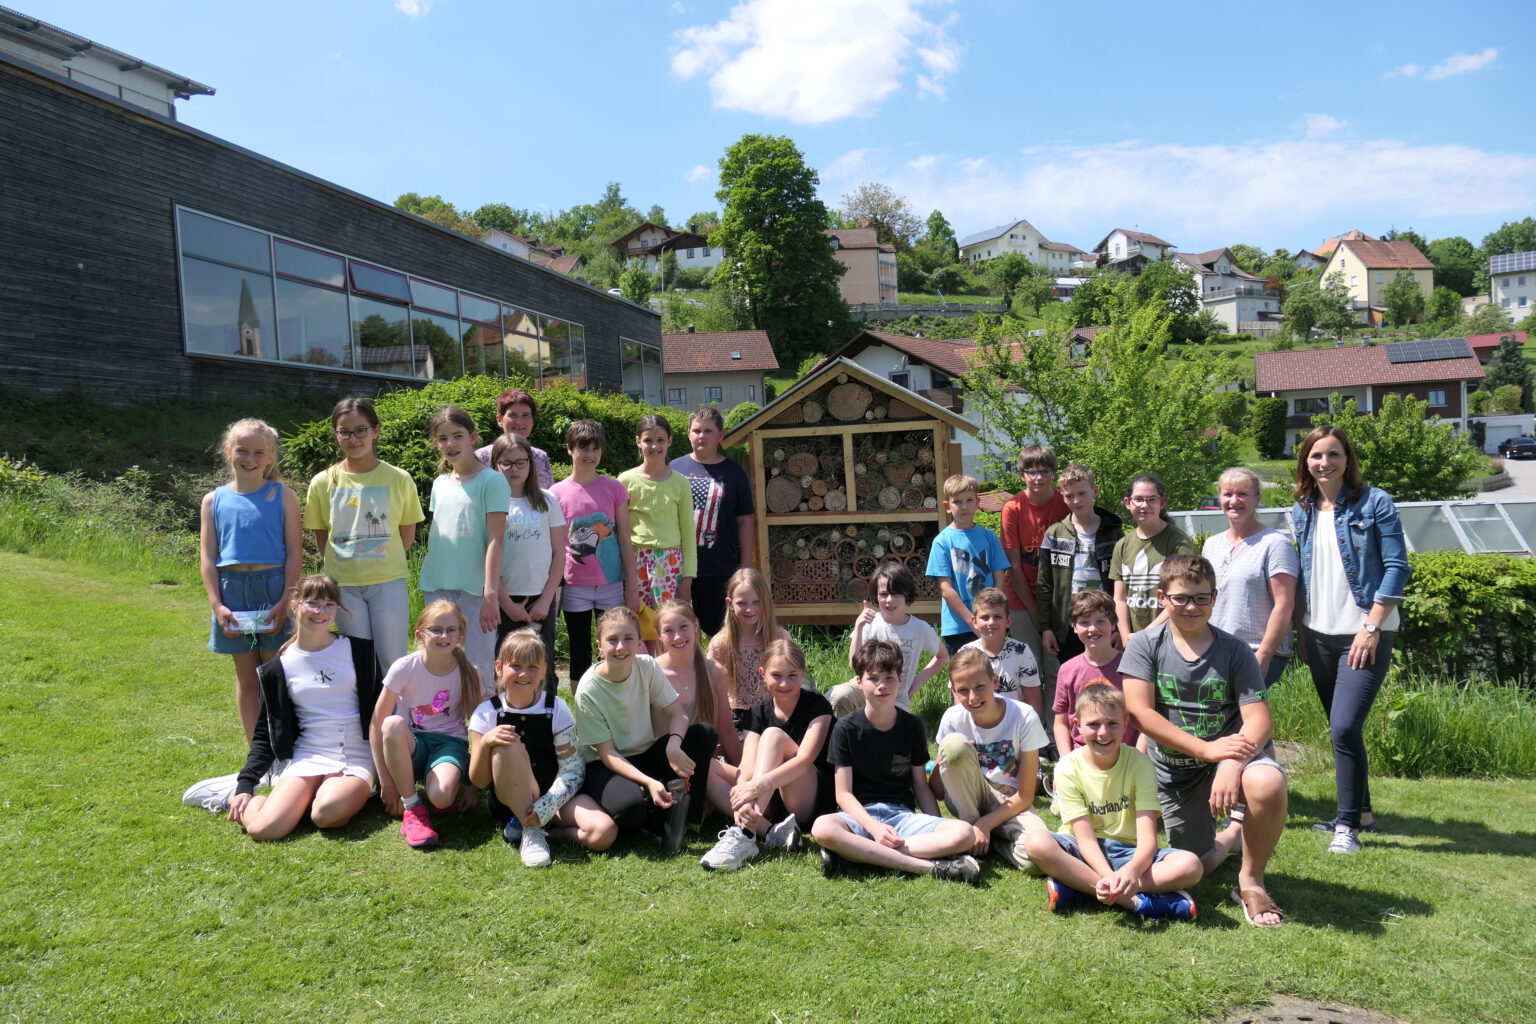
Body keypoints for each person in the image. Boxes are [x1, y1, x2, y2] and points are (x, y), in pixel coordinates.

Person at [1121, 554, 1289, 928]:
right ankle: (1231, 836)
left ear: (1215, 598)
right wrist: (1204, 749)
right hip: (1176, 774)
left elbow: (1259, 719)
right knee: (1194, 864)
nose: (1191, 606)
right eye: (1180, 598)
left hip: (1228, 760)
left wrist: (1229, 762)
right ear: (1163, 598)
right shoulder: (1145, 644)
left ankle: (1251, 880)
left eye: (1201, 598)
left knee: (1267, 781)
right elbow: (1139, 713)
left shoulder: (1234, 650)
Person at [1291, 425, 1410, 855]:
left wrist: (1372, 625)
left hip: (1365, 634)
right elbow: (1306, 575)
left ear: (1347, 459)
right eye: (1316, 455)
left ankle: (1346, 827)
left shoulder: (1374, 502)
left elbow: (1397, 567)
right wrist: (1302, 630)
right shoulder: (1302, 508)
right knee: (1344, 730)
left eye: (1333, 454)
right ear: (1306, 461)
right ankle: (1361, 813)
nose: (1325, 462)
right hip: (1319, 635)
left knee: (1343, 726)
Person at [1023, 684, 1203, 920]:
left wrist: (1131, 870)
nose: (1103, 732)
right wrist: (1109, 875)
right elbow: (1085, 838)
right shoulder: (1067, 768)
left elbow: (1148, 839)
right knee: (1036, 842)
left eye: (1112, 723)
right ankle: (1136, 902)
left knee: (1191, 865)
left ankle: (1079, 888)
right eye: (1094, 724)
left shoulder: (1140, 764)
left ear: (1125, 723)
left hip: (1129, 851)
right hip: (1080, 849)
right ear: (1077, 725)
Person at [810, 640, 982, 885]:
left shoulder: (912, 726)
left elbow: (921, 786)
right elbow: (843, 795)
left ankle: (855, 854)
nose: (882, 685)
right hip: (859, 817)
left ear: (901, 679)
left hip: (902, 817)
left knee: (964, 833)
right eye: (874, 678)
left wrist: (938, 824)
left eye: (889, 678)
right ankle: (928, 867)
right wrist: (874, 829)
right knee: (822, 828)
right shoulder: (845, 729)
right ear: (859, 682)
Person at [228, 574, 382, 842]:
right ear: (294, 605)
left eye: (328, 604)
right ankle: (240, 796)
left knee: (326, 813)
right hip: (308, 755)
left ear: (338, 609)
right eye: (312, 603)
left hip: (355, 754)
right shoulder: (278, 667)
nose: (320, 612)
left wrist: (389, 778)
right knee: (263, 830)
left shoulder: (359, 650)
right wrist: (245, 784)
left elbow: (382, 713)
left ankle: (314, 798)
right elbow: (265, 733)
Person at [573, 607, 717, 855]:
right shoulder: (588, 689)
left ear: (640, 642)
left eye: (629, 638)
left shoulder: (646, 666)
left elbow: (678, 713)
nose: (621, 647)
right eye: (612, 640)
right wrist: (649, 782)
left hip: (644, 752)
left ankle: (688, 816)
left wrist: (673, 745)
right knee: (629, 808)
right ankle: (656, 817)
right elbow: (607, 754)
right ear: (599, 645)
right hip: (605, 764)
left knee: (703, 734)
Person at [468, 628, 617, 867]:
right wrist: (486, 742)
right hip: (510, 802)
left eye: (532, 667)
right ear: (499, 667)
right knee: (508, 743)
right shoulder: (486, 713)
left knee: (604, 832)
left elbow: (573, 769)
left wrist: (546, 806)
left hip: (554, 799)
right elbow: (479, 780)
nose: (523, 674)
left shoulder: (555, 707)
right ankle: (530, 830)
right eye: (515, 666)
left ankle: (545, 832)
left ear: (544, 671)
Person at [198, 419, 302, 742]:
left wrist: (285, 601)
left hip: (273, 591)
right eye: (242, 450)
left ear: (270, 458)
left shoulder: (284, 496)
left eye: (259, 452)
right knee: (247, 679)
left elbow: (295, 553)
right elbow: (207, 557)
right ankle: (255, 753)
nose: (250, 458)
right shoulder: (213, 501)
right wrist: (217, 605)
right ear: (229, 452)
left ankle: (281, 747)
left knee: (275, 675)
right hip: (233, 595)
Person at [304, 396, 424, 672]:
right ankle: (364, 716)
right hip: (343, 585)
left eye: (360, 430)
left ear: (375, 431)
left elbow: (406, 533)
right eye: (344, 431)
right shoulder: (323, 481)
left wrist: (381, 558)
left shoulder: (399, 478)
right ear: (335, 434)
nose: (353, 438)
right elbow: (322, 534)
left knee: (393, 663)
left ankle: (395, 716)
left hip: (388, 582)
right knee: (358, 661)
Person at [701, 638, 833, 871]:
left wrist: (754, 789)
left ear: (804, 674)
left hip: (805, 798)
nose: (784, 683)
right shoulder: (757, 711)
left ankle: (743, 833)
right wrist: (744, 794)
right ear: (762, 674)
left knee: (773, 736)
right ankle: (771, 832)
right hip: (766, 800)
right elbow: (748, 765)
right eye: (776, 675)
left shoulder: (818, 706)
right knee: (708, 767)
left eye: (792, 675)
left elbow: (804, 761)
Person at [371, 600, 481, 849]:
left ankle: (440, 788)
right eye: (436, 629)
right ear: (420, 634)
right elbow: (377, 723)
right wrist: (386, 781)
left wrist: (475, 785)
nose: (444, 636)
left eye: (451, 630)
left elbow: (480, 729)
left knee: (441, 799)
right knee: (392, 724)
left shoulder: (469, 672)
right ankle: (413, 808)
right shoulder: (404, 667)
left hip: (449, 744)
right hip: (411, 745)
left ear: (460, 634)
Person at [929, 647, 1049, 872]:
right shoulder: (953, 719)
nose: (973, 698)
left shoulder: (1023, 716)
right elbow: (937, 790)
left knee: (1037, 857)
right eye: (963, 690)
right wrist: (951, 755)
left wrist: (986, 823)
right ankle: (972, 830)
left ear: (994, 682)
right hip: (967, 799)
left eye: (980, 687)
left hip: (1008, 801)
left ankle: (980, 837)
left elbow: (1025, 795)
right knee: (955, 744)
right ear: (954, 691)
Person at [418, 406, 510, 697]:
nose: (451, 444)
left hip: (476, 592)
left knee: (479, 668)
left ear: (473, 438)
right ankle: (443, 727)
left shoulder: (492, 481)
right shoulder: (439, 483)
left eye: (458, 436)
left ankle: (483, 734)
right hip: (437, 587)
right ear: (436, 443)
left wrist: (490, 594)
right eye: (443, 438)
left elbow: (496, 540)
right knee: (437, 664)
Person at [552, 419, 639, 687]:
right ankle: (583, 709)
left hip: (611, 583)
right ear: (569, 449)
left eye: (595, 449)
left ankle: (613, 701)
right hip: (574, 585)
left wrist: (632, 585)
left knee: (614, 647)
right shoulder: (556, 493)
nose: (589, 455)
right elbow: (555, 545)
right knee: (580, 650)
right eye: (583, 448)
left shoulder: (614, 488)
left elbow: (624, 537)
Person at [1203, 467, 1297, 686]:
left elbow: (1284, 604)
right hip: (1215, 649)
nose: (1234, 501)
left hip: (1254, 650)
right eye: (1228, 494)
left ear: (1257, 499)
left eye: (1242, 494)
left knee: (1243, 717)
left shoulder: (1275, 544)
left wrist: (1264, 654)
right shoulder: (1212, 545)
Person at [669, 405, 755, 635]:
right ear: (688, 434)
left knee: (722, 635)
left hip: (720, 568)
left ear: (720, 435)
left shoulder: (734, 472)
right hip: (677, 567)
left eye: (708, 431)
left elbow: (745, 521)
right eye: (696, 430)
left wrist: (745, 569)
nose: (701, 436)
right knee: (679, 634)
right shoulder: (673, 469)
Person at [653, 598, 741, 816]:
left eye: (683, 627)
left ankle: (766, 820)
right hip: (663, 764)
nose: (678, 636)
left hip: (702, 763)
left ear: (696, 625)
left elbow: (727, 730)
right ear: (659, 635)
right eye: (668, 630)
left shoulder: (714, 672)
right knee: (709, 772)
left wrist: (744, 771)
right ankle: (764, 829)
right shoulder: (650, 673)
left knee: (749, 781)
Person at [491, 433, 564, 693]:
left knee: (543, 668)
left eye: (521, 462)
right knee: (506, 667)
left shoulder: (547, 500)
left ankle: (549, 724)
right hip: (504, 601)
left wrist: (546, 599)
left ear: (531, 465)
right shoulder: (491, 502)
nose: (514, 469)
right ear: (495, 464)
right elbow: (486, 556)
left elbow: (559, 553)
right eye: (506, 463)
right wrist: (506, 603)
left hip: (540, 601)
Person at [827, 562, 946, 719]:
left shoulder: (920, 628)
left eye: (896, 594)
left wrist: (916, 683)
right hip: (865, 691)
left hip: (896, 699)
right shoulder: (870, 623)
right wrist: (859, 626)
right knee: (836, 696)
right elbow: (854, 665)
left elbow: (942, 656)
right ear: (876, 596)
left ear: (907, 595)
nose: (889, 600)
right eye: (883, 594)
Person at [619, 414, 697, 652]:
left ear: (670, 441)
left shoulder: (680, 483)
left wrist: (687, 580)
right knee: (640, 625)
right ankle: (644, 676)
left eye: (660, 440)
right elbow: (620, 531)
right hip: (636, 560)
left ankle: (670, 677)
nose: (654, 446)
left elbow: (688, 533)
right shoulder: (625, 480)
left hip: (670, 563)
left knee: (669, 624)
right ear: (637, 442)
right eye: (648, 440)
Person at [1001, 444, 1070, 706]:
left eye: (1044, 471)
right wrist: (1034, 613)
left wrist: (1048, 615)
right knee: (1026, 671)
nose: (1038, 477)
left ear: (1053, 473)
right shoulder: (1013, 508)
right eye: (1031, 471)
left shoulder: (1064, 503)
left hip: (1057, 602)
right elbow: (1014, 566)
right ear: (1022, 475)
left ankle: (1055, 737)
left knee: (1056, 670)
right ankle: (1032, 736)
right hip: (1021, 600)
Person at [1037, 463, 1123, 671]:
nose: (1076, 500)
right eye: (1069, 495)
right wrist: (1047, 628)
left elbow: (1123, 586)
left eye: (1082, 493)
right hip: (1069, 628)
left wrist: (1119, 627)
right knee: (1074, 680)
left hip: (1106, 624)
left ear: (1094, 492)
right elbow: (1044, 585)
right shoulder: (1054, 534)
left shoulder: (1114, 533)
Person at [926, 473, 1010, 655]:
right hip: (958, 626)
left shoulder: (989, 537)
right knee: (965, 678)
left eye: (969, 500)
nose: (964, 506)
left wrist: (991, 617)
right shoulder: (942, 541)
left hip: (991, 622)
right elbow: (945, 589)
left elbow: (1000, 580)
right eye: (957, 501)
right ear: (947, 506)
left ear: (977, 502)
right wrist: (972, 620)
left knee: (997, 676)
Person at [1052, 590, 1141, 755]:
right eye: (1084, 622)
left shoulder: (1132, 668)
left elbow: (1144, 719)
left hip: (1126, 756)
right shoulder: (1067, 670)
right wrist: (1066, 761)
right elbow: (1061, 723)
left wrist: (1139, 759)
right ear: (1074, 627)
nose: (1093, 629)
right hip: (1082, 755)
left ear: (1113, 624)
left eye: (1101, 621)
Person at [706, 568, 792, 734]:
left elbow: (794, 681)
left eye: (756, 602)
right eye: (742, 603)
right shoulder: (720, 644)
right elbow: (709, 690)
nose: (749, 609)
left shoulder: (779, 637)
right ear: (730, 604)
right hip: (738, 719)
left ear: (765, 602)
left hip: (776, 712)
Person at [1111, 472, 1194, 641]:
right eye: (1138, 499)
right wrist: (1126, 636)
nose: (1144, 505)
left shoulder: (1178, 543)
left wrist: (1144, 635)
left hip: (1170, 638)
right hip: (1133, 639)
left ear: (1162, 503)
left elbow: (1182, 596)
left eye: (1152, 499)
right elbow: (1119, 598)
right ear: (1128, 503)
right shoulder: (1122, 545)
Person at [960, 587, 1042, 717]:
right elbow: (959, 701)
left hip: (1015, 723)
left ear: (1008, 620)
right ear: (974, 621)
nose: (991, 622)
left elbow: (1033, 704)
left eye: (997, 617)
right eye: (985, 617)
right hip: (976, 723)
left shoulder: (1022, 652)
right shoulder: (965, 653)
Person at [474, 387, 554, 488]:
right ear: (499, 420)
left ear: (532, 421)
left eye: (525, 415)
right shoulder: (481, 458)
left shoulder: (540, 457)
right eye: (513, 415)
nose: (519, 422)